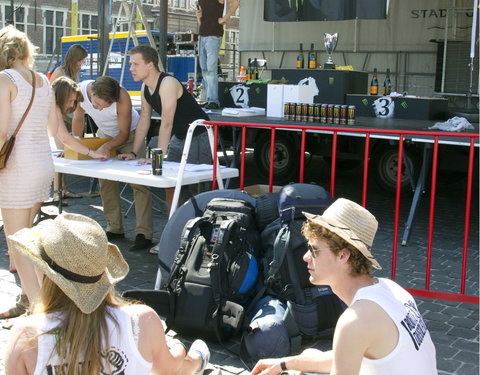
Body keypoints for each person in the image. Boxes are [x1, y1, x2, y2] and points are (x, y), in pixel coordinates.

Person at [5, 212, 211, 375]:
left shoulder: (27, 336)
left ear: (47, 273)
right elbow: (169, 371)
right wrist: (185, 352)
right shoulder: (142, 320)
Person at [250, 198, 438, 375]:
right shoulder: (391, 290)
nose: (305, 257)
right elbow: (348, 356)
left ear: (343, 256)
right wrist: (287, 362)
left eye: (314, 250)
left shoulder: (355, 321)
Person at [0, 26, 104, 319]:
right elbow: (58, 132)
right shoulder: (44, 83)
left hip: (15, 167)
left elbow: (1, 132)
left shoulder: (4, 80)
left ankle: (40, 314)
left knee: (18, 245)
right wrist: (93, 152)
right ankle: (42, 303)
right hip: (41, 164)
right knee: (29, 241)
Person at [72, 75, 153, 252]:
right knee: (105, 181)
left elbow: (123, 133)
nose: (99, 110)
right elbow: (78, 119)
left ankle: (144, 233)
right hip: (105, 134)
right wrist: (75, 144)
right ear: (91, 92)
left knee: (139, 182)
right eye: (97, 105)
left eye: (105, 106)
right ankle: (114, 227)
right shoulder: (80, 91)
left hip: (131, 135)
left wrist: (107, 146)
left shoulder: (122, 97)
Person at [120, 45, 212, 165]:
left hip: (199, 134)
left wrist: (157, 158)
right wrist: (133, 153)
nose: (131, 69)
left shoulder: (167, 83)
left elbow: (167, 123)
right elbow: (144, 120)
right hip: (179, 136)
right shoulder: (145, 87)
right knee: (168, 179)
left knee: (192, 180)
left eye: (135, 64)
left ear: (150, 65)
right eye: (130, 64)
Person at [49, 43, 89, 201]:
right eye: (81, 60)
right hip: (61, 119)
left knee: (66, 154)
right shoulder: (60, 72)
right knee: (61, 155)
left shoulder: (74, 72)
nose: (82, 63)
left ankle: (63, 189)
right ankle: (58, 193)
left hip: (69, 117)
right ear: (74, 58)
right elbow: (52, 96)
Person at [196, 0, 240, 109]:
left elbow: (236, 2)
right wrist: (198, 17)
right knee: (205, 69)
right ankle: (209, 99)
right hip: (202, 35)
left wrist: (225, 18)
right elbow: (201, 20)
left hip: (214, 35)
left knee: (211, 69)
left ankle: (213, 100)